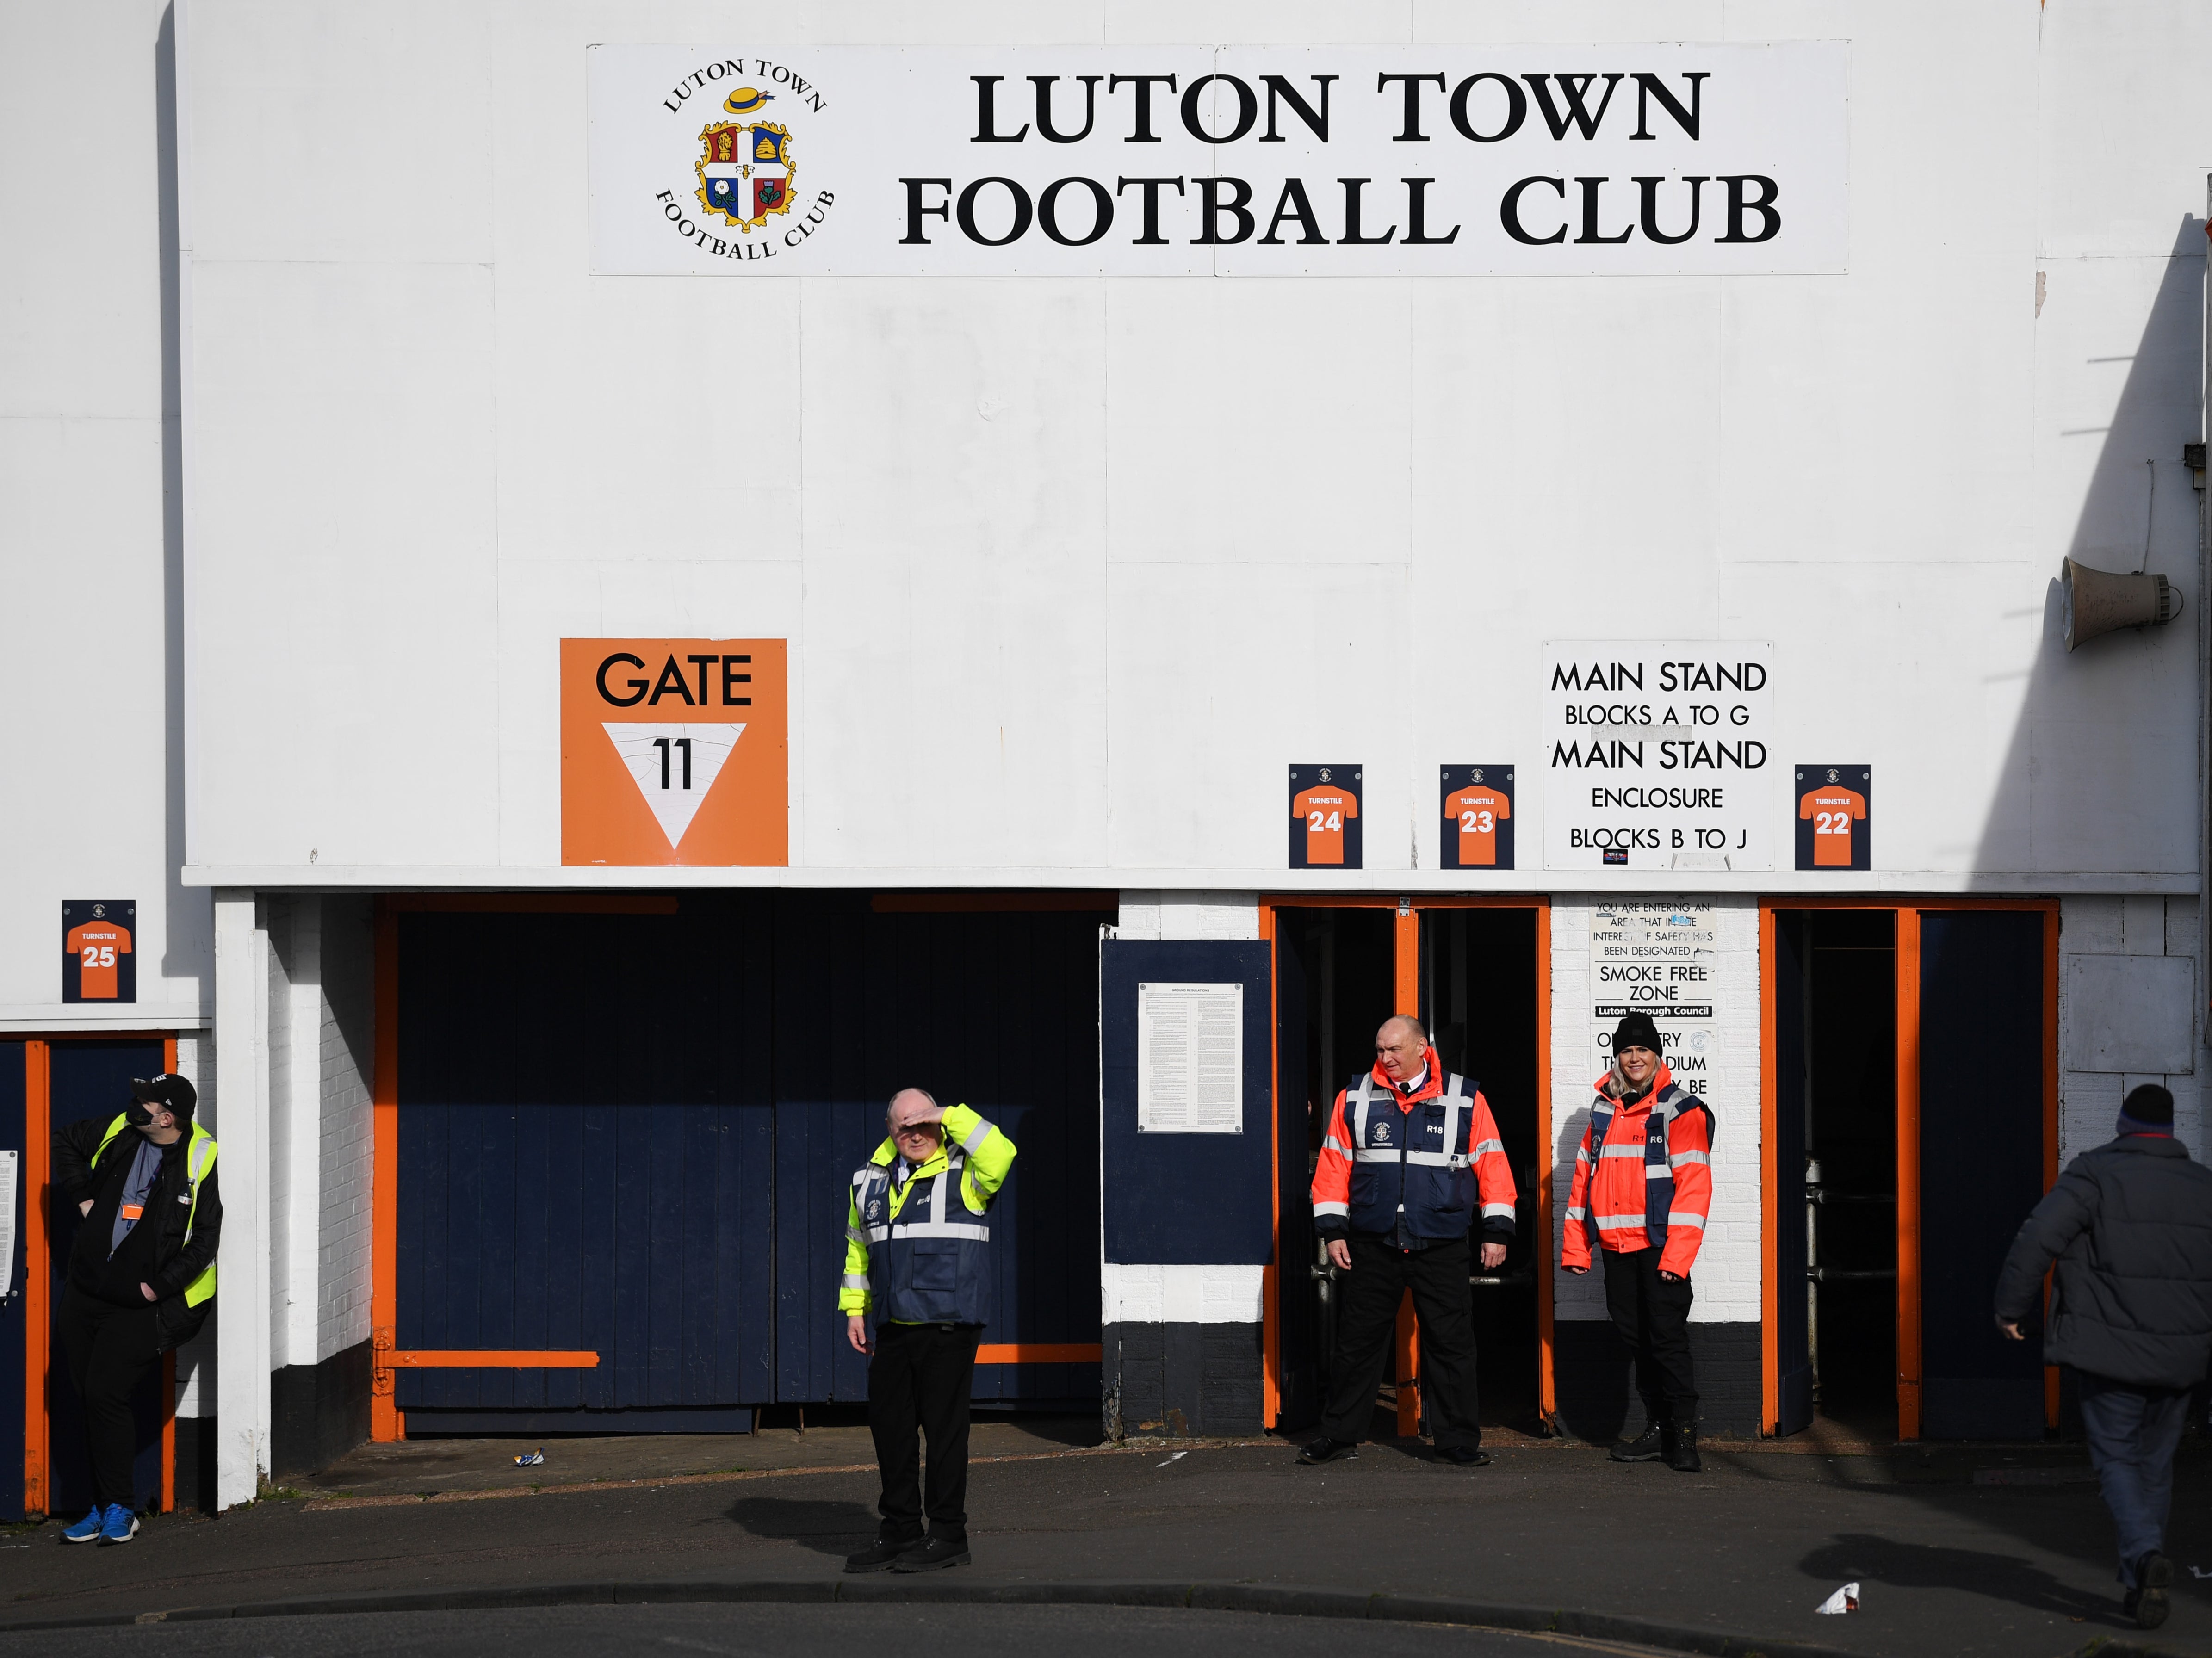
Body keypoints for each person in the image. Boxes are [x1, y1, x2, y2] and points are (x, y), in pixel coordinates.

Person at [1995, 1083, 2212, 1631]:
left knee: (2116, 1457)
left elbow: (2036, 1236)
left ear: (2121, 1123)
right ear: (2169, 1130)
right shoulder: (2201, 1186)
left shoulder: (2092, 1174)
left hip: (2108, 1349)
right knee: (2154, 1465)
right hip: (2181, 1353)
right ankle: (2142, 1586)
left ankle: (2142, 1556)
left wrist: (2009, 1308)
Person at [1299, 1015, 1518, 1466]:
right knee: (1357, 1345)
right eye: (1379, 1049)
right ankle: (1338, 1436)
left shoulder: (1464, 1098)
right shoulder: (1354, 1098)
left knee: (1451, 1345)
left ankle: (1456, 1440)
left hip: (1439, 1242)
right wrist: (1333, 1230)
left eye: (1394, 1049)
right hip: (1373, 1241)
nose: (1385, 1058)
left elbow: (1492, 1165)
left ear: (1422, 1047)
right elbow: (1332, 1169)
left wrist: (1496, 1229)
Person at [839, 1087, 1017, 1574]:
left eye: (924, 1122)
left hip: (948, 1322)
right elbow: (858, 1248)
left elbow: (1002, 1150)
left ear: (938, 1122)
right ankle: (900, 1530)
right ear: (889, 1129)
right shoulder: (866, 1179)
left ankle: (947, 1534)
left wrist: (948, 1112)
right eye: (904, 1125)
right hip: (892, 1323)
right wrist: (855, 1307)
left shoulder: (968, 1172)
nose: (915, 1132)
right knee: (891, 1430)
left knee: (943, 1433)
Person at [50, 1073, 220, 1545]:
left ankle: (121, 1506)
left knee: (106, 1393)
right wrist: (83, 1195)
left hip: (139, 1306)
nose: (134, 1103)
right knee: (89, 1398)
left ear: (166, 1117)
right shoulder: (122, 1129)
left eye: (146, 1100)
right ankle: (102, 1505)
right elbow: (65, 1138)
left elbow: (205, 1237)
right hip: (85, 1293)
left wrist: (157, 1288)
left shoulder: (200, 1156)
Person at [1561, 1012, 1713, 1473]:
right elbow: (1582, 1178)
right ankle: (1657, 1429)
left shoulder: (1678, 1108)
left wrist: (1677, 1256)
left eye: (1641, 1050)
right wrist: (1575, 1246)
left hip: (1659, 1249)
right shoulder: (1603, 1107)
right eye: (1626, 1050)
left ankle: (1684, 1436)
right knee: (1637, 1341)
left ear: (1656, 1055)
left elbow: (1694, 1186)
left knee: (1666, 1341)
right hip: (1615, 1248)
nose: (1633, 1059)